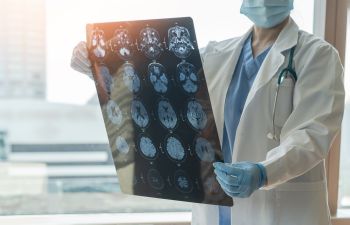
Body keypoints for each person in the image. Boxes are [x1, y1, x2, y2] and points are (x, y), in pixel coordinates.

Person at [70, 0, 345, 224]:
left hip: (282, 210)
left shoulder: (317, 55)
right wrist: (97, 63)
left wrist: (263, 172)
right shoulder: (216, 54)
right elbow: (152, 86)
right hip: (215, 210)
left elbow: (312, 134)